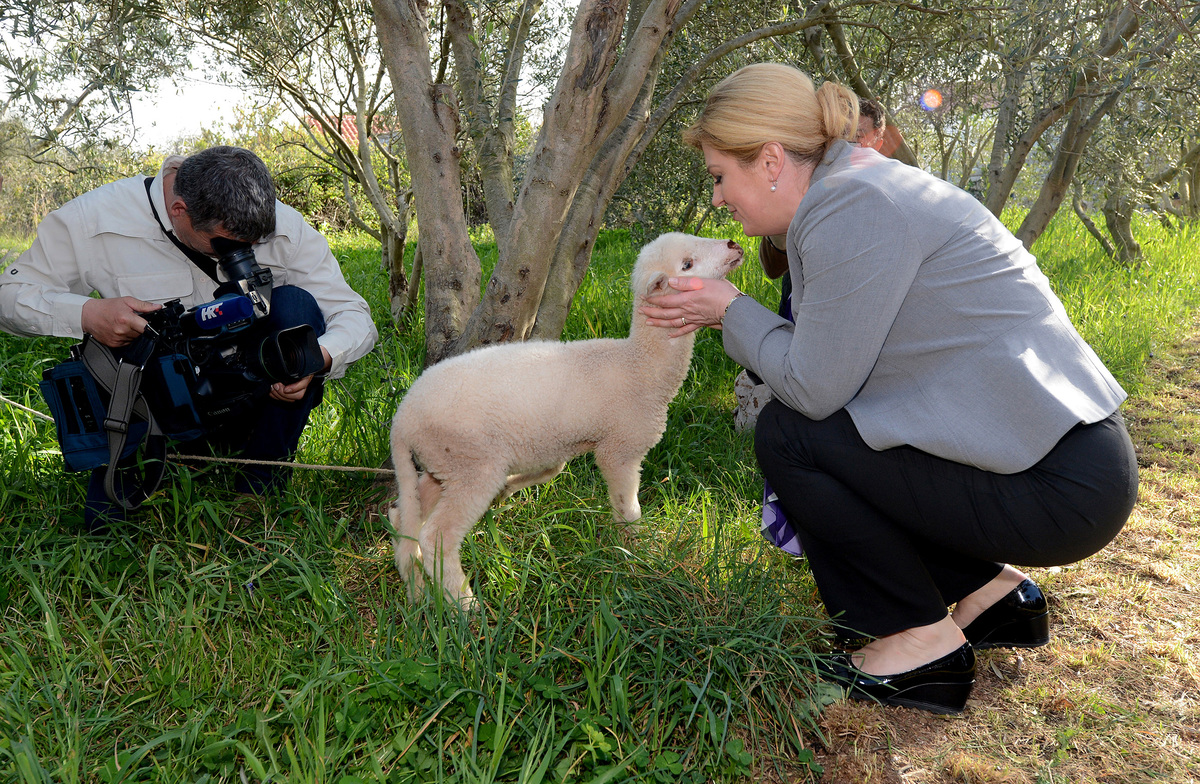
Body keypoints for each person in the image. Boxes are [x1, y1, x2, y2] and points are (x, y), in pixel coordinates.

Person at [642, 64, 1138, 715]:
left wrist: (729, 308)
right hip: (1066, 465)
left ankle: (919, 644)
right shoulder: (854, 189)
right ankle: (991, 597)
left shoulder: (852, 207)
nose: (716, 199)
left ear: (767, 160)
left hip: (1060, 482)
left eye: (717, 176)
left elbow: (810, 390)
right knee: (832, 432)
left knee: (792, 434)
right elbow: (838, 375)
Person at [0, 146, 378, 528]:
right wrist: (87, 313)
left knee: (296, 305)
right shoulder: (93, 218)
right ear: (179, 210)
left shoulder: (287, 226)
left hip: (249, 395)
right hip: (150, 402)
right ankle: (133, 472)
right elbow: (8, 297)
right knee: (105, 525)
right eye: (226, 244)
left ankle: (260, 486)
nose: (241, 253)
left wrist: (320, 358)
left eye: (252, 243)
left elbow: (354, 316)